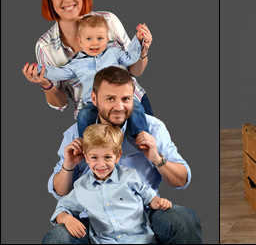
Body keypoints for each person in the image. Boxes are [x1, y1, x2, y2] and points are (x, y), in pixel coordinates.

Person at [42, 66, 202, 244]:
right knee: (57, 239)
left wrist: (157, 158)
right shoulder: (75, 135)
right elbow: (61, 195)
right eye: (110, 99)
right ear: (94, 98)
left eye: (126, 99)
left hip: (141, 214)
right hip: (95, 221)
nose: (119, 107)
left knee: (183, 220)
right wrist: (69, 165)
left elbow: (181, 180)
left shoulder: (153, 129)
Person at [21, 0, 153, 120]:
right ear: (49, 0)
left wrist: (142, 51)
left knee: (145, 142)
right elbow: (61, 102)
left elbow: (134, 70)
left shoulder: (108, 21)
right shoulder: (45, 47)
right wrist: (45, 82)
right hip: (93, 116)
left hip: (132, 104)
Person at [28, 14, 149, 138]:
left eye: (100, 38)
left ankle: (141, 136)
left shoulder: (113, 52)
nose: (95, 43)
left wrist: (138, 40)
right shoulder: (77, 63)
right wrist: (38, 70)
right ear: (80, 41)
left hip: (117, 99)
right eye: (89, 39)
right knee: (83, 115)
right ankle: (86, 144)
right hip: (93, 103)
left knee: (137, 107)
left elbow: (130, 58)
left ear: (107, 39)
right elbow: (60, 72)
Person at [50, 123, 173, 244]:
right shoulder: (82, 186)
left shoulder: (130, 176)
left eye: (107, 157)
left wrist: (159, 202)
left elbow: (149, 197)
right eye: (94, 158)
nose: (101, 164)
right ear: (86, 157)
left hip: (139, 240)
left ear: (117, 156)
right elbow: (62, 208)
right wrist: (67, 219)